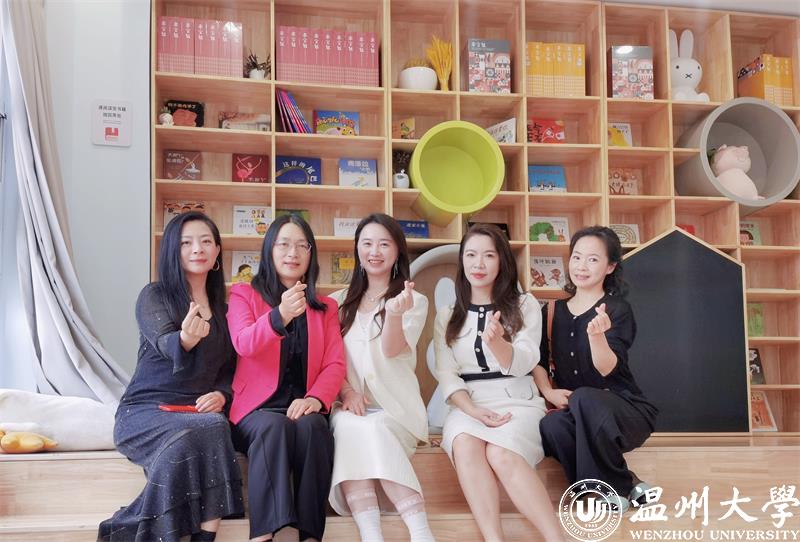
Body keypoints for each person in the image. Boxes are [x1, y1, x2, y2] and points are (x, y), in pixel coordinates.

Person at [98, 211, 243, 541]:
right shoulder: (154, 295)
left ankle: (203, 537)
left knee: (213, 425)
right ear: (172, 252)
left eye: (206, 241)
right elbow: (164, 340)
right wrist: (186, 339)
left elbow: (230, 370)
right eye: (186, 243)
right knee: (198, 434)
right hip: (145, 411)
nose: (197, 249)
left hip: (197, 413)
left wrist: (222, 395)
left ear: (217, 251)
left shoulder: (225, 310)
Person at [433, 224, 564, 541]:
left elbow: (527, 359)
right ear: (462, 260)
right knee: (465, 443)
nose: (478, 264)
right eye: (471, 255)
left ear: (502, 261)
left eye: (489, 255)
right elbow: (447, 373)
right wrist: (471, 410)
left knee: (501, 454)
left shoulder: (524, 305)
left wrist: (498, 345)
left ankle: (556, 538)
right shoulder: (447, 315)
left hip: (518, 402)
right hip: (468, 405)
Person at [226, 214, 346, 542]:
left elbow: (335, 363)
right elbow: (243, 343)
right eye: (284, 244)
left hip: (304, 406)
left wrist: (315, 399)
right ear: (270, 250)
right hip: (256, 410)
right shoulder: (243, 294)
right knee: (273, 427)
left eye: (301, 245)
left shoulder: (326, 307)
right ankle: (263, 536)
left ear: (310, 254)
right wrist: (279, 316)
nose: (292, 252)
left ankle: (310, 536)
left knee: (314, 427)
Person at [533, 226, 658, 512]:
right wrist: (548, 392)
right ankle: (625, 484)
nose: (581, 266)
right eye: (576, 257)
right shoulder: (550, 311)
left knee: (584, 397)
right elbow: (537, 361)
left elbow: (607, 369)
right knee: (552, 425)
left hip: (623, 410)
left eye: (592, 259)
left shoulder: (617, 310)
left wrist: (596, 336)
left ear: (610, 267)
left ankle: (605, 492)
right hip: (574, 411)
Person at [328, 214, 434, 542]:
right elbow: (329, 359)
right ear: (357, 249)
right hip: (349, 405)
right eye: (367, 243)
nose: (375, 251)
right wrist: (347, 392)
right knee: (350, 426)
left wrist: (396, 313)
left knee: (372, 427)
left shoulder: (414, 300)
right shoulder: (336, 302)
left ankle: (421, 532)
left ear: (397, 251)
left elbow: (391, 350)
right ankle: (371, 534)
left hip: (395, 409)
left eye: (384, 244)